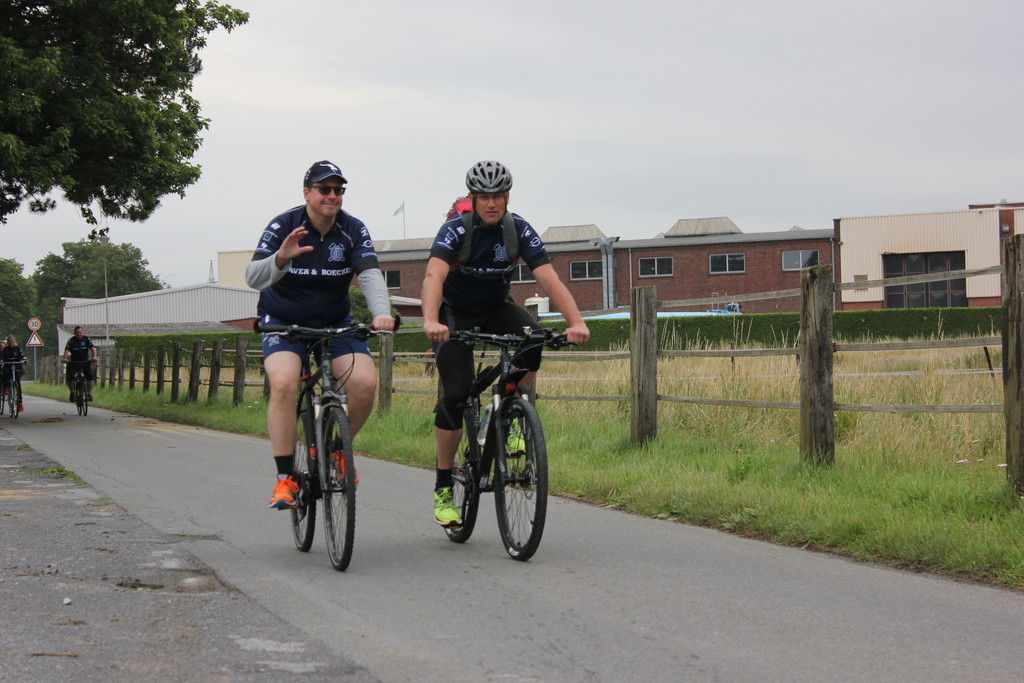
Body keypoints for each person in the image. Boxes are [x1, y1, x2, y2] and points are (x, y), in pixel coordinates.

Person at [421, 160, 590, 527]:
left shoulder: (518, 230)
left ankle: (507, 408)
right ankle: (443, 487)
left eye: (497, 196)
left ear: (507, 197)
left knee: (533, 338)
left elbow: (549, 278)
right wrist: (431, 320)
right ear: (473, 198)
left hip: (495, 307)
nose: (491, 203)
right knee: (456, 392)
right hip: (454, 313)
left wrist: (576, 322)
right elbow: (434, 274)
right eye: (484, 196)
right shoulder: (455, 229)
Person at [246, 160, 395, 510]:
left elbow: (370, 274)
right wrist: (280, 259)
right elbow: (253, 277)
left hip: (335, 322)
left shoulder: (352, 228)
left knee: (365, 383)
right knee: (284, 383)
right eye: (324, 189)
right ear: (307, 192)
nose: (332, 196)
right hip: (283, 322)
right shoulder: (284, 225)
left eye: (338, 190)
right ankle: (285, 478)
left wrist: (382, 313)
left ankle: (338, 449)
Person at [63, 326, 98, 401]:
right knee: (70, 377)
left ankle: (89, 394)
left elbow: (92, 348)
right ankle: (72, 393)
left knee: (90, 376)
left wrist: (94, 357)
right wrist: (65, 358)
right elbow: (66, 350)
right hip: (74, 362)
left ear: (82, 332)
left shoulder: (86, 339)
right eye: (77, 333)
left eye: (80, 332)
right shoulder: (71, 340)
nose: (79, 334)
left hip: (85, 361)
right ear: (74, 333)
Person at [2, 335, 27, 412]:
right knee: (5, 372)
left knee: (18, 384)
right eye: (9, 341)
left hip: (16, 367)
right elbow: (2, 357)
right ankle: (6, 387)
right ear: (7, 342)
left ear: (14, 341)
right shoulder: (5, 350)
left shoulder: (18, 349)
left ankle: (20, 403)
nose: (11, 342)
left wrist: (24, 360)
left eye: (12, 341)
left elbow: (22, 356)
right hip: (8, 366)